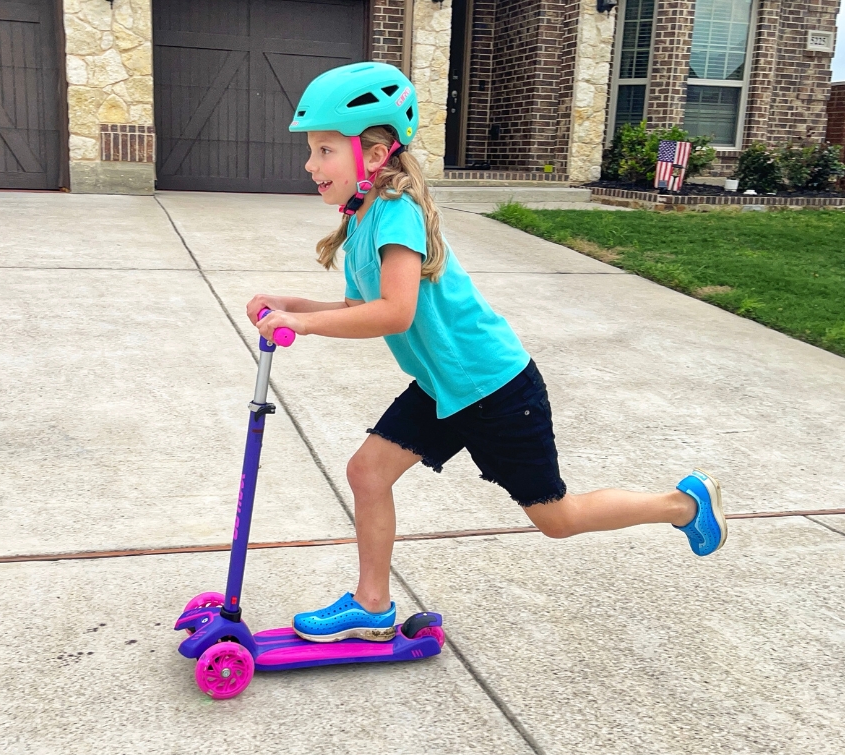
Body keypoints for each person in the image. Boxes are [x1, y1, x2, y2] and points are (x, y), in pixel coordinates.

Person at [247, 62, 727, 644]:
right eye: (312, 151)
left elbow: (393, 314)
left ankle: (682, 504)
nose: (310, 164)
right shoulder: (363, 221)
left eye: (324, 150)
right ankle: (372, 606)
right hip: (445, 388)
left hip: (497, 390)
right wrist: (289, 303)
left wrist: (301, 322)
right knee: (367, 472)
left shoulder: (397, 215)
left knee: (556, 518)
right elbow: (357, 307)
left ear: (372, 157)